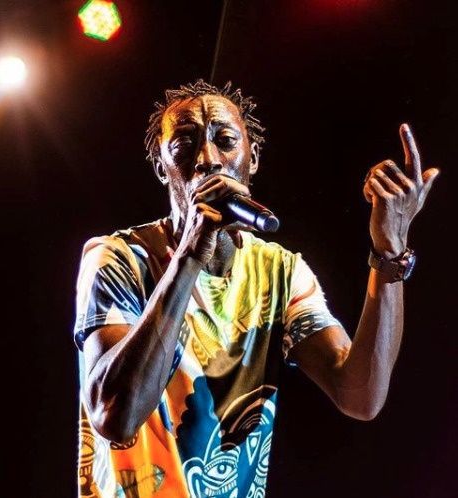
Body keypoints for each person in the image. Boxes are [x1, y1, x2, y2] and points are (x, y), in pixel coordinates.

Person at [73, 79, 439, 497]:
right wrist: (190, 254)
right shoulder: (118, 257)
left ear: (254, 159)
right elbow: (115, 417)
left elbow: (360, 396)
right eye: (185, 145)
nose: (208, 159)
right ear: (162, 167)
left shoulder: (280, 270)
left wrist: (389, 252)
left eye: (225, 141)